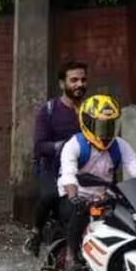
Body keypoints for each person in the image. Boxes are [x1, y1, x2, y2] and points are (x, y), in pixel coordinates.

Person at [56, 94, 136, 271]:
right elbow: (68, 175)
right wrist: (74, 196)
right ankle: (70, 258)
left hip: (104, 197)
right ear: (88, 123)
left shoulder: (120, 145)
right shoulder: (74, 144)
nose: (107, 133)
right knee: (79, 212)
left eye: (111, 126)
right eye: (102, 127)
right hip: (75, 197)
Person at [24, 61, 88, 257]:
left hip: (84, 169)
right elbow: (39, 145)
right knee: (49, 196)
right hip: (52, 168)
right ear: (62, 83)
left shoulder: (91, 110)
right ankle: (36, 232)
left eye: (83, 80)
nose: (79, 84)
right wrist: (65, 146)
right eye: (74, 80)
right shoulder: (49, 110)